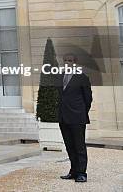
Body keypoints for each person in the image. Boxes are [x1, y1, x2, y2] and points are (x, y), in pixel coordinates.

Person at [58, 53, 92, 183]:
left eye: (70, 60)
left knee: (79, 146)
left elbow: (88, 99)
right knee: (69, 146)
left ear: (75, 62)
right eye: (65, 60)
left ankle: (82, 173)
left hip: (77, 118)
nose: (68, 62)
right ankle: (73, 171)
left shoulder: (82, 77)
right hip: (63, 118)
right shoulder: (59, 76)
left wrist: (81, 113)